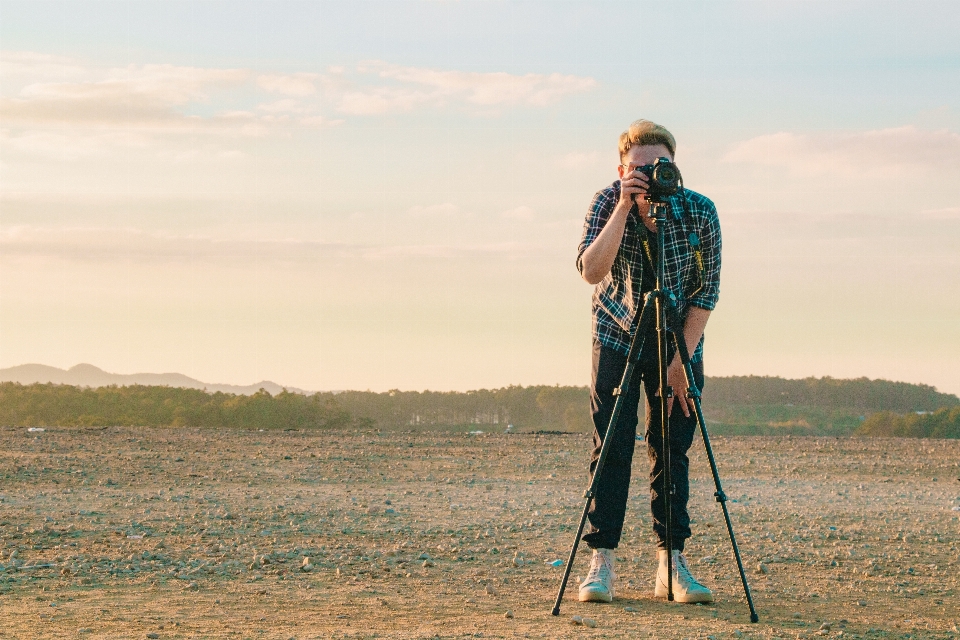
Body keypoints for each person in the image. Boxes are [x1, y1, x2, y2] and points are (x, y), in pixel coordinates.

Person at [574, 119, 721, 604]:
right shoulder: (605, 201)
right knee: (611, 444)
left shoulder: (700, 211)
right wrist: (622, 207)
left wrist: (683, 357)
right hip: (616, 330)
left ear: (674, 167)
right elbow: (590, 271)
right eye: (637, 168)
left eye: (660, 166)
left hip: (676, 333)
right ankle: (602, 563)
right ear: (621, 169)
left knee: (672, 445)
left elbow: (706, 292)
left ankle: (671, 563)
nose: (649, 175)